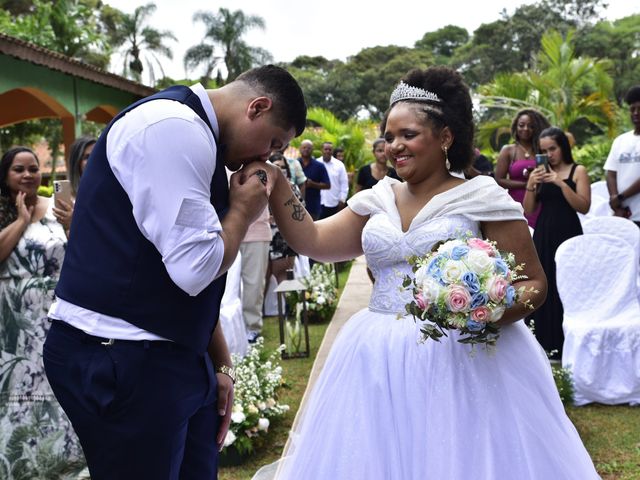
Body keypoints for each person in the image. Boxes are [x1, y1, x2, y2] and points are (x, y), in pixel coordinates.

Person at [251, 66, 598, 479]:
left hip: (463, 360)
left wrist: (484, 311)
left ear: (445, 136)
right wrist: (276, 183)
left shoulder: (482, 196)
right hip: (375, 359)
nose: (394, 146)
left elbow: (534, 284)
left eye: (408, 135)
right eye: (389, 136)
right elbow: (313, 241)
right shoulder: (376, 199)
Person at [43, 65, 307, 480]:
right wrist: (242, 210)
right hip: (120, 356)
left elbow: (183, 281)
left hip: (174, 355)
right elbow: (196, 268)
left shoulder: (200, 135)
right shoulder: (173, 129)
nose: (265, 157)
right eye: (273, 142)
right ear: (257, 106)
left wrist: (219, 363)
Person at [0, 147, 84, 471]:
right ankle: (21, 462)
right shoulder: (5, 212)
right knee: (19, 388)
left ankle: (67, 460)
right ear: (6, 175)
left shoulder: (58, 206)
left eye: (33, 168)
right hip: (14, 320)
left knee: (57, 384)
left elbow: (80, 252)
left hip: (56, 314)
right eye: (18, 169)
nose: (27, 175)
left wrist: (72, 224)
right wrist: (21, 219)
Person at [524, 127, 591, 359]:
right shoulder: (540, 173)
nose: (549, 154)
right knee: (547, 284)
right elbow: (529, 209)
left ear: (563, 146)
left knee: (570, 284)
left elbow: (583, 206)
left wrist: (561, 183)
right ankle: (544, 342)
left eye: (552, 148)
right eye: (543, 151)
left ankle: (569, 342)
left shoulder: (577, 170)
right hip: (544, 232)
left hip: (569, 233)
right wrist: (532, 184)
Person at [495, 108, 550, 228]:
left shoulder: (542, 150)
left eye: (531, 126)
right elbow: (499, 180)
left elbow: (549, 174)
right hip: (516, 203)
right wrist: (526, 184)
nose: (525, 129)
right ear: (516, 126)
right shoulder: (509, 150)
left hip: (539, 201)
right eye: (521, 125)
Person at [605, 85, 640, 226]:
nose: (636, 113)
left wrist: (620, 197)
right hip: (623, 215)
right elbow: (611, 172)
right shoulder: (620, 140)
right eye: (632, 109)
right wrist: (615, 201)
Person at [266, 153, 301, 284]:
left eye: (283, 167)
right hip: (263, 236)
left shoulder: (292, 187)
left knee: (284, 278)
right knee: (264, 280)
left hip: (284, 237)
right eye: (276, 167)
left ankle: (286, 304)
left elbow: (300, 211)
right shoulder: (262, 186)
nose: (280, 170)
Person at [52, 135, 97, 234]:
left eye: (97, 155)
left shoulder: (110, 195)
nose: (94, 160)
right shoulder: (65, 199)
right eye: (87, 157)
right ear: (76, 163)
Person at [240, 205, 271, 343]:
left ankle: (252, 327)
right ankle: (237, 327)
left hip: (256, 232)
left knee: (254, 283)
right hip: (226, 232)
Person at [298, 139, 330, 220]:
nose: (306, 149)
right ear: (300, 148)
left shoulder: (319, 166)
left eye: (308, 148)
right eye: (304, 147)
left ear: (312, 150)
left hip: (313, 206)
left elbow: (327, 185)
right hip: (296, 205)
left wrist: (312, 184)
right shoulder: (294, 163)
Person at [319, 141, 349, 218]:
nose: (328, 151)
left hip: (333, 203)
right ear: (321, 150)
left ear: (332, 151)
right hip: (317, 202)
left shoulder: (339, 165)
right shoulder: (316, 163)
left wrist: (342, 200)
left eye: (330, 149)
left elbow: (344, 184)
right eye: (326, 149)